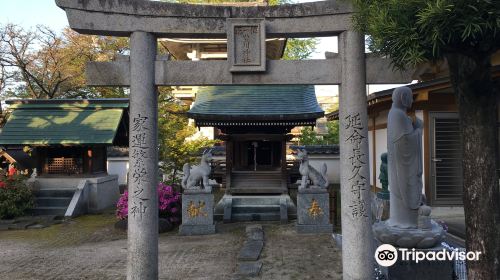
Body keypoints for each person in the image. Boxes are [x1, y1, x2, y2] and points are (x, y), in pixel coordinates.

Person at [386, 86, 423, 229]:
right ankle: (405, 222)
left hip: (398, 165)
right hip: (401, 166)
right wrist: (419, 129)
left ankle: (402, 220)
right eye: (410, 96)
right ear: (402, 97)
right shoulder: (398, 115)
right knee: (403, 195)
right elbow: (404, 141)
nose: (412, 100)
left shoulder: (395, 113)